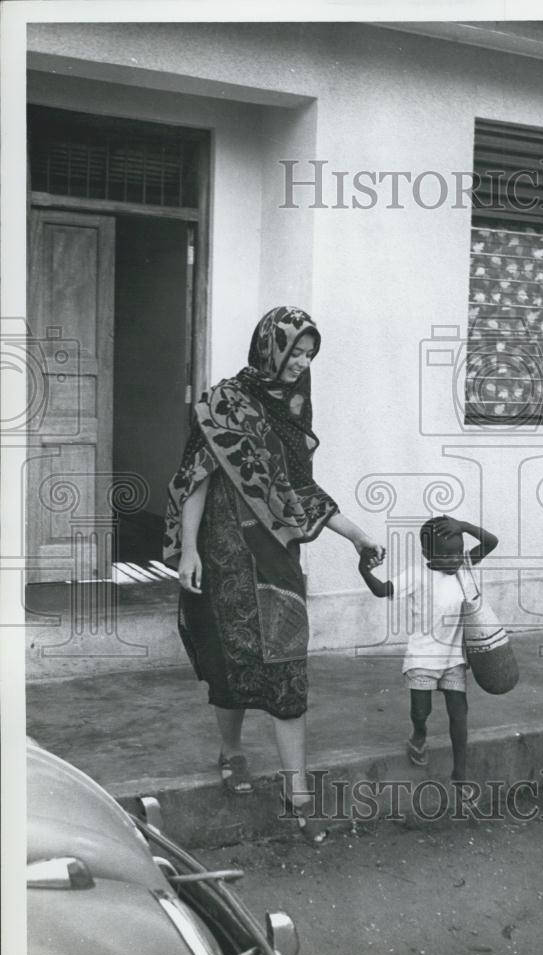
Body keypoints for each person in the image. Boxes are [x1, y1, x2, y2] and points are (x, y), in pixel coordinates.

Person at [164, 306, 385, 844]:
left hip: (275, 554)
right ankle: (232, 752)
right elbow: (194, 478)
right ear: (271, 346)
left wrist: (356, 534)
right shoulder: (223, 402)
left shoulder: (294, 406)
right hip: (221, 552)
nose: (301, 362)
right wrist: (188, 551)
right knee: (230, 656)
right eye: (295, 352)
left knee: (287, 666)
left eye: (309, 354)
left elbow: (300, 491)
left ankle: (297, 792)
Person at [357, 515, 497, 790]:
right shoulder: (416, 575)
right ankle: (418, 734)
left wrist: (464, 525)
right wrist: (365, 571)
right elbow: (383, 590)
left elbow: (491, 542)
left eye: (458, 552)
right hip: (422, 655)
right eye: (446, 555)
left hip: (454, 657)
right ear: (426, 554)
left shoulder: (463, 567)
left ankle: (460, 773)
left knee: (459, 713)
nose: (454, 559)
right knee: (421, 710)